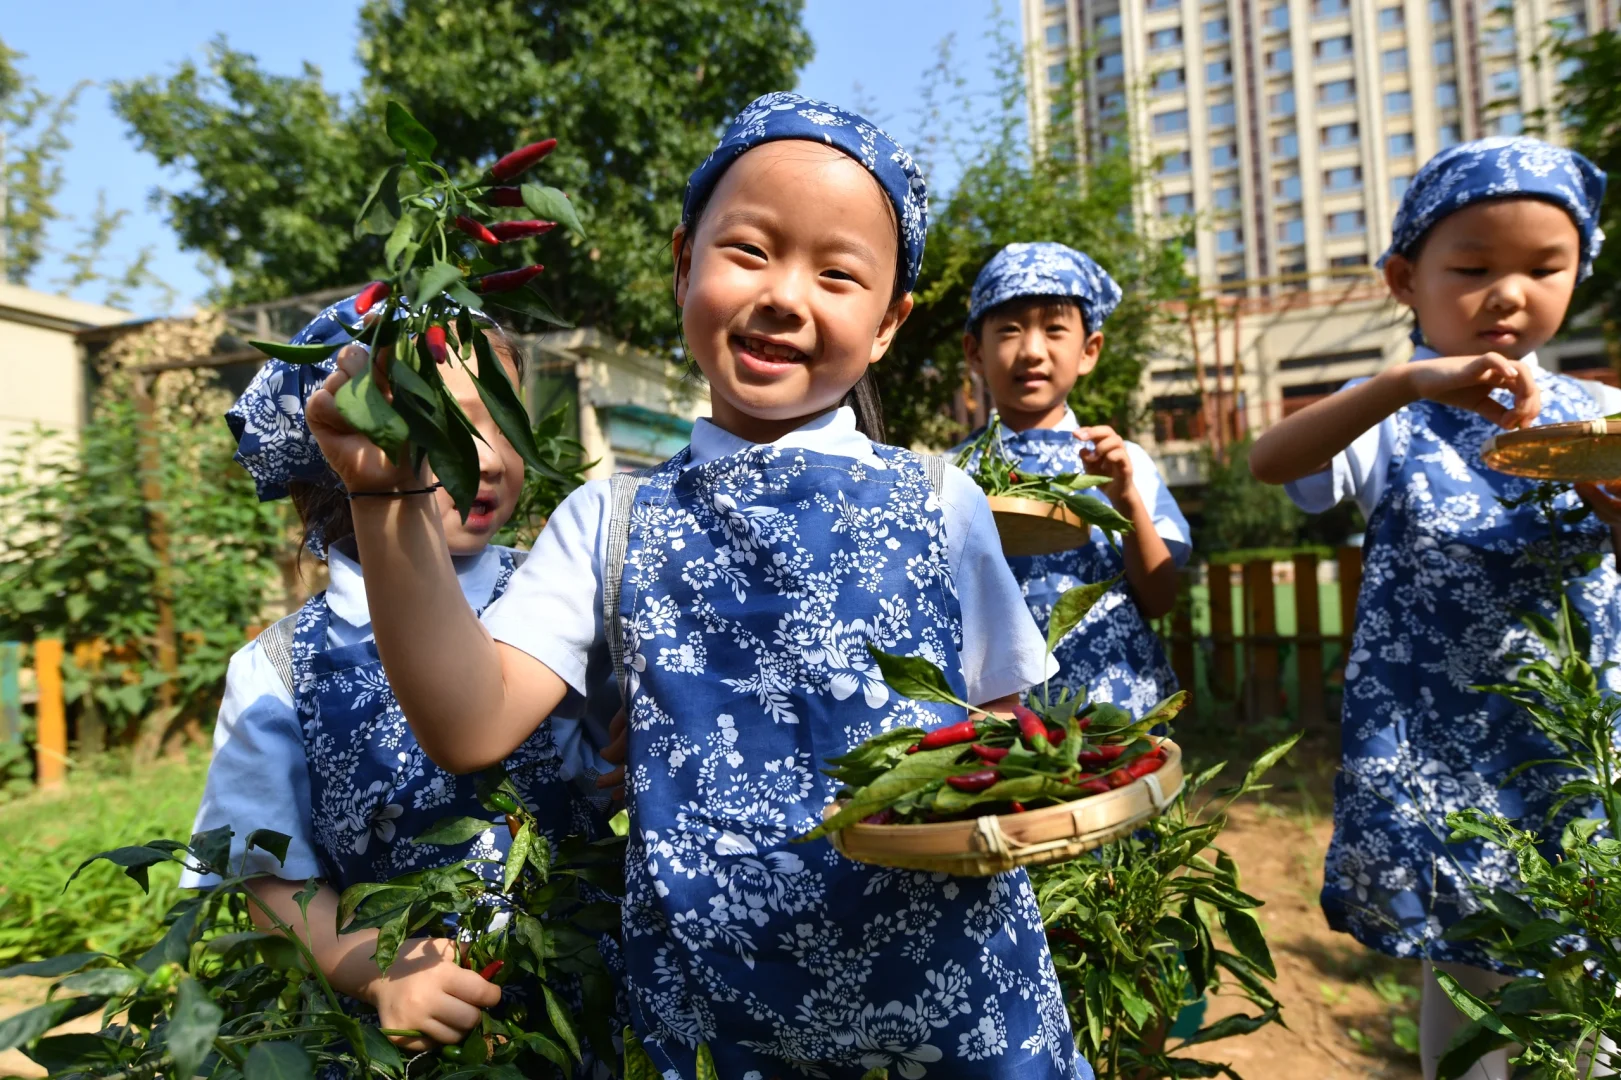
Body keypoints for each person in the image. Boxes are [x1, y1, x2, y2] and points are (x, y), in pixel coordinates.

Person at [303, 92, 1093, 1079]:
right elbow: (469, 723)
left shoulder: (942, 503)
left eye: (837, 273)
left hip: (955, 1010)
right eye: (749, 251)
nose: (785, 296)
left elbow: (1004, 736)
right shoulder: (608, 519)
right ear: (683, 264)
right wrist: (385, 498)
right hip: (714, 1027)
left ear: (888, 323)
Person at [1249, 136, 1621, 1080]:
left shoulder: (1595, 415)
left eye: (1543, 268)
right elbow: (1272, 461)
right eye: (1472, 268)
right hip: (1445, 760)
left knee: (1594, 974)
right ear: (1403, 280)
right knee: (1468, 985)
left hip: (1577, 750)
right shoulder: (1390, 417)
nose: (1508, 294)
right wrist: (1405, 382)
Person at [181, 297, 611, 1055]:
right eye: (439, 429)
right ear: (336, 448)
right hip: (412, 1035)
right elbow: (272, 884)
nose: (487, 457)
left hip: (589, 1004)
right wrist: (377, 970)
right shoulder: (278, 669)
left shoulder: (564, 594)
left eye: (503, 420)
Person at [954, 242, 1189, 717]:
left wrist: (1123, 498)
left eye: (1055, 330)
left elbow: (1160, 598)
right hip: (995, 719)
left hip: (1113, 712)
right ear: (975, 352)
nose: (1032, 351)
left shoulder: (1124, 462)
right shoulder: (948, 475)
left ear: (1089, 351)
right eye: (1010, 330)